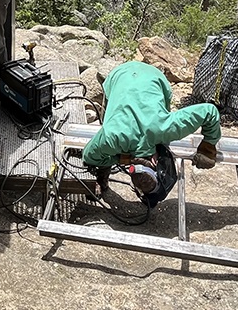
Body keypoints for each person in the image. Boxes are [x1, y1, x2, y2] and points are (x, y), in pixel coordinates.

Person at [81, 61, 222, 206]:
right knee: (108, 128)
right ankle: (102, 180)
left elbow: (209, 111)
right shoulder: (113, 137)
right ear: (154, 161)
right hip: (121, 77)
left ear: (154, 162)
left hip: (146, 77)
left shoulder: (166, 128)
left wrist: (208, 149)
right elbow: (88, 156)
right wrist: (121, 159)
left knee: (107, 141)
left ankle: (102, 179)